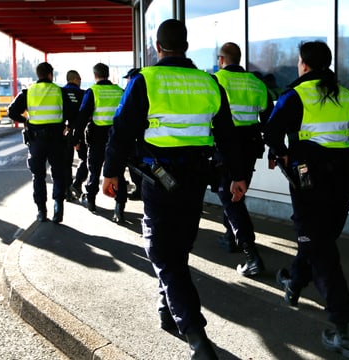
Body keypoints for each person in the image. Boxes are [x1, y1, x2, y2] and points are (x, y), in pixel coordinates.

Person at [101, 19, 246, 360]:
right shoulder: (209, 82)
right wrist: (238, 175)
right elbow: (228, 135)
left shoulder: (146, 80)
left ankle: (195, 334)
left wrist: (110, 172)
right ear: (186, 45)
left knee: (162, 251)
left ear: (157, 46)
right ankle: (168, 308)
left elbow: (121, 131)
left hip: (159, 179)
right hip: (197, 179)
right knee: (178, 247)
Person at [263, 41, 349, 358]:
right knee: (320, 240)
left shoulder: (296, 95)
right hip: (343, 180)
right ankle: (293, 283)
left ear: (303, 64)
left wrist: (281, 154)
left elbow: (271, 131)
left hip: (309, 181)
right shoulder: (345, 95)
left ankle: (345, 330)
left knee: (321, 250)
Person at [213, 42, 273, 276]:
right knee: (237, 191)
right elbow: (268, 119)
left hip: (226, 144)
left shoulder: (216, 80)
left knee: (229, 196)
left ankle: (252, 255)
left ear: (222, 59)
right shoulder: (257, 83)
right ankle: (231, 237)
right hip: (250, 144)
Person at [8, 62, 66, 223]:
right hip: (56, 140)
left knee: (38, 176)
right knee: (58, 173)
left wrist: (24, 120)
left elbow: (11, 111)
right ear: (50, 74)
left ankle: (41, 211)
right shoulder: (59, 91)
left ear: (38, 74)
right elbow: (68, 112)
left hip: (36, 140)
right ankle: (58, 207)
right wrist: (65, 125)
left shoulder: (28, 91)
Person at [73, 63, 127, 223]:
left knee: (94, 170)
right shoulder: (120, 91)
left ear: (95, 75)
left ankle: (90, 201)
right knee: (118, 173)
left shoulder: (93, 91)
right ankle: (119, 208)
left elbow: (82, 116)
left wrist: (75, 139)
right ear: (108, 74)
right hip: (117, 138)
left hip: (97, 138)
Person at [61, 70, 86, 201]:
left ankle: (67, 192)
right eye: (80, 79)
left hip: (65, 131)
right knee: (84, 159)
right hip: (81, 131)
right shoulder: (83, 93)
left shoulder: (61, 92)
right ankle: (78, 183)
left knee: (66, 163)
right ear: (75, 79)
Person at [123, 67, 143, 201]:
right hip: (144, 136)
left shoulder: (131, 91)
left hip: (133, 136)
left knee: (134, 164)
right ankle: (141, 188)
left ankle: (140, 189)